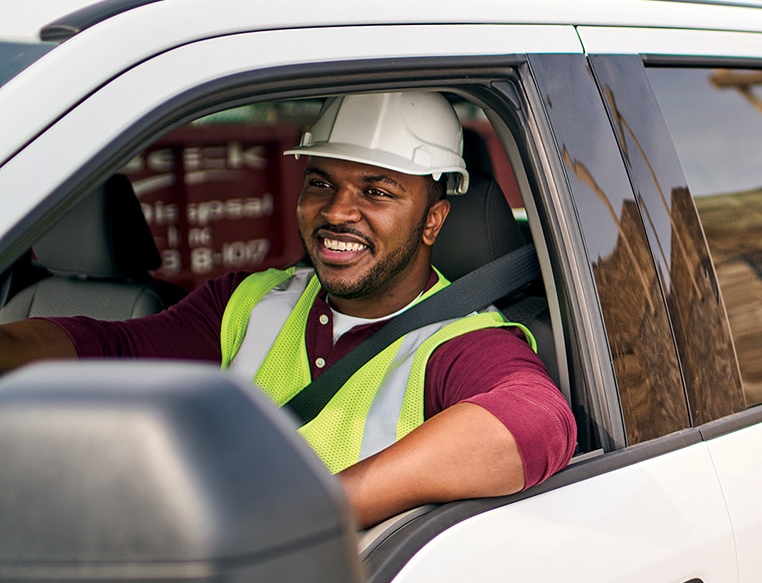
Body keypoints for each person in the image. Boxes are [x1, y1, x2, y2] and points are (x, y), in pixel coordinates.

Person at [0, 91, 577, 528]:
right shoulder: (251, 300)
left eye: (377, 191)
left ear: (432, 220)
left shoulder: (461, 341)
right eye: (321, 183)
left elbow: (537, 424)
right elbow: (113, 349)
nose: (337, 213)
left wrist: (306, 513)